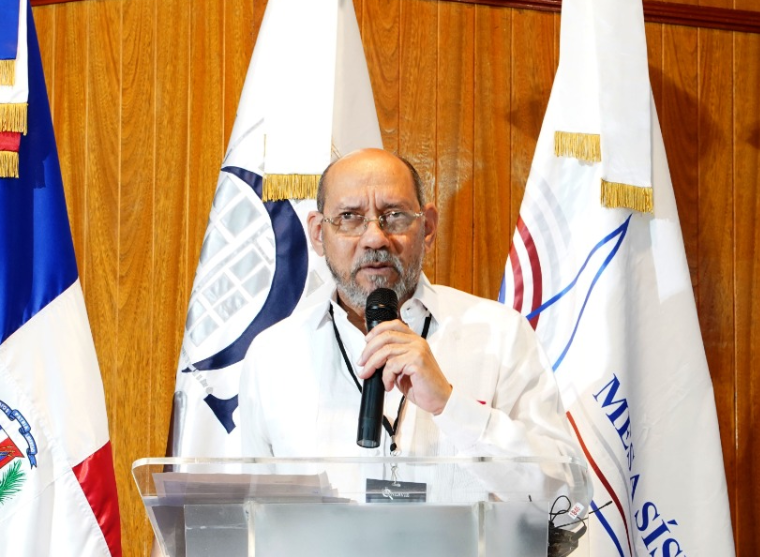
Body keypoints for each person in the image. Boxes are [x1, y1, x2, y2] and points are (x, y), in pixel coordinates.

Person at [239, 148, 581, 491]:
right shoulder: (272, 356)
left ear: (427, 228)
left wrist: (451, 406)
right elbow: (251, 517)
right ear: (317, 233)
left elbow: (565, 493)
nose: (375, 238)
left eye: (395, 215)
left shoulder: (501, 335)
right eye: (349, 217)